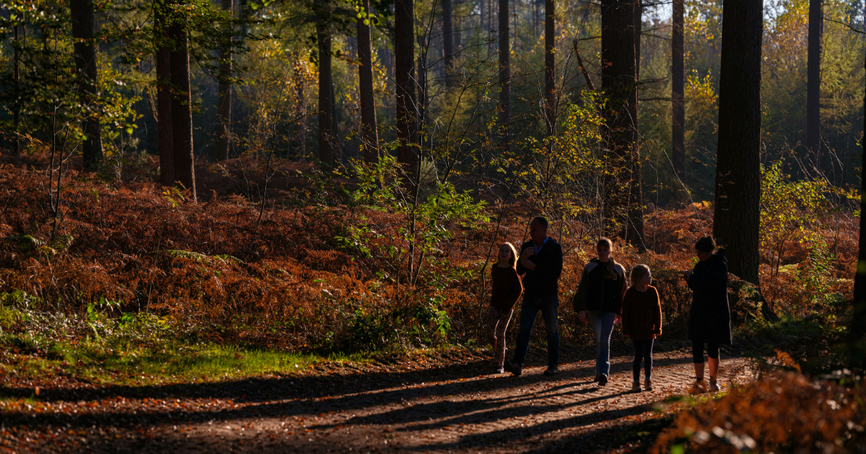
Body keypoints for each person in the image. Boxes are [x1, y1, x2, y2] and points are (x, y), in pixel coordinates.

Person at [504, 216, 563, 377]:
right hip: (530, 294)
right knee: (524, 329)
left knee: (552, 330)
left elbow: (555, 273)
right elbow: (519, 270)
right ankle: (517, 363)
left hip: (549, 296)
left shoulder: (554, 247)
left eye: (534, 230)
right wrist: (522, 258)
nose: (531, 233)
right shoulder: (527, 246)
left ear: (544, 230)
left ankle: (553, 365)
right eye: (531, 229)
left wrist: (535, 267)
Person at [573, 237, 626, 386]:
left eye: (605, 250)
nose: (602, 252)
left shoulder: (618, 269)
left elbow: (623, 292)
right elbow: (582, 289)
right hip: (594, 309)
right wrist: (581, 309)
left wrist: (621, 311)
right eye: (600, 250)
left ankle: (603, 372)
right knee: (598, 340)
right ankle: (599, 372)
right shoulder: (590, 267)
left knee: (604, 339)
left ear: (610, 251)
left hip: (610, 310)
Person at [683, 236, 731, 393]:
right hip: (699, 311)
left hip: (714, 312)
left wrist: (693, 278)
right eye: (697, 252)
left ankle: (713, 381)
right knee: (697, 346)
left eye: (701, 252)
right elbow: (697, 286)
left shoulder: (720, 265)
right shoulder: (699, 266)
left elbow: (711, 285)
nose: (698, 255)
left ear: (709, 251)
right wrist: (690, 279)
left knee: (713, 347)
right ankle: (699, 382)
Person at [621, 264, 662, 392]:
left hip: (649, 328)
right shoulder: (630, 293)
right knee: (638, 355)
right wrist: (626, 329)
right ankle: (636, 381)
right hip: (636, 329)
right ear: (639, 277)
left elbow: (657, 311)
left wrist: (657, 327)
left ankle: (648, 379)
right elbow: (626, 312)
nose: (650, 277)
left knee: (648, 354)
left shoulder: (652, 291)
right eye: (647, 275)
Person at [487, 242, 523, 374]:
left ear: (511, 255)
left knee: (501, 334)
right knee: (489, 332)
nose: (503, 253)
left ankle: (499, 364)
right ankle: (499, 348)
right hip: (494, 305)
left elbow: (519, 290)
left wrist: (509, 305)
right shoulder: (494, 268)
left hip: (507, 308)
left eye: (507, 251)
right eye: (502, 250)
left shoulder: (512, 271)